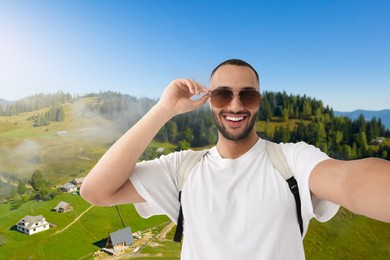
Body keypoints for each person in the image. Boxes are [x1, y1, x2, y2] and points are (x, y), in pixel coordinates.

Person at [80, 59, 390, 259]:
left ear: (259, 103)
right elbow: (95, 191)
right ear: (209, 102)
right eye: (222, 94)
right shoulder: (182, 169)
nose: (236, 105)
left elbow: (351, 182)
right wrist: (164, 109)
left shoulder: (292, 160)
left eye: (248, 95)